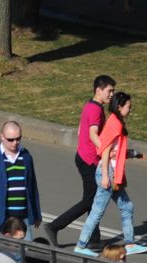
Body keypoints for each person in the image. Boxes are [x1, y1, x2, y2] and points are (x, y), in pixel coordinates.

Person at [46, 75, 116, 249]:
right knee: (90, 200)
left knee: (92, 199)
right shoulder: (95, 110)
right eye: (109, 91)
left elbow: (80, 131)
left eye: (113, 91)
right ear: (98, 90)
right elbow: (92, 133)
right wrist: (104, 151)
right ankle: (54, 226)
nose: (111, 94)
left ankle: (93, 238)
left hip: (85, 157)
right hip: (88, 160)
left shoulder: (91, 106)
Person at [75, 91, 138, 257]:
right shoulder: (114, 124)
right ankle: (81, 245)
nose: (130, 110)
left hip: (112, 173)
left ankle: (130, 243)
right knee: (97, 211)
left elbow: (113, 150)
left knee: (127, 206)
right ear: (119, 107)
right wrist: (104, 176)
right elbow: (104, 150)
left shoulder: (117, 122)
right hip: (108, 173)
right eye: (128, 107)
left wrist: (130, 154)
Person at [0, 121, 40, 235]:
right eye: (10, 139)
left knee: (24, 250)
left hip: (23, 217)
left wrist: (36, 213)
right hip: (1, 217)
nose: (15, 142)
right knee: (1, 250)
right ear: (2, 136)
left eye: (18, 138)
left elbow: (32, 186)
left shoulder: (26, 156)